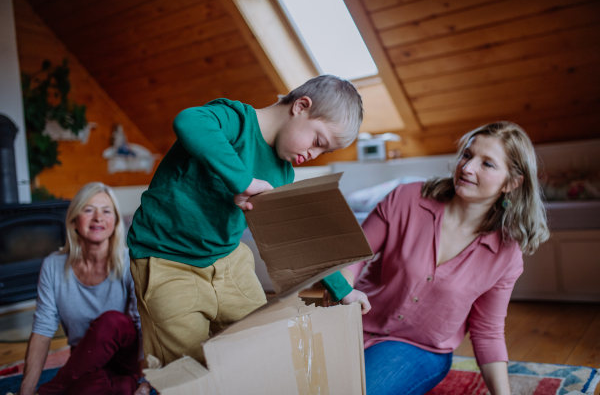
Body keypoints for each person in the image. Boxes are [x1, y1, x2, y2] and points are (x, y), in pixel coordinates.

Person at [127, 74, 364, 366]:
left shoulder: (284, 172)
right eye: (317, 141)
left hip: (229, 262)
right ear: (301, 106)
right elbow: (190, 121)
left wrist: (344, 290)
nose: (313, 155)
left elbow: (298, 238)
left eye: (323, 151)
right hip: (167, 261)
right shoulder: (235, 119)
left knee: (261, 349)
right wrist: (243, 181)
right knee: (185, 369)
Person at [326, 122, 549, 395]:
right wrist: (345, 290)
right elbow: (352, 255)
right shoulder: (405, 199)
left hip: (418, 349)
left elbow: (487, 331)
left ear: (512, 183)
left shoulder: (506, 254)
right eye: (467, 155)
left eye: (487, 164)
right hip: (352, 325)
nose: (467, 168)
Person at [19, 182, 149, 395]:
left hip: (126, 358)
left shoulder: (130, 262)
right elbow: (42, 331)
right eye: (88, 210)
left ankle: (48, 391)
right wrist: (25, 390)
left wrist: (144, 381)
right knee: (110, 389)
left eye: (106, 211)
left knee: (112, 321)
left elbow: (144, 328)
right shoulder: (53, 265)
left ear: (115, 221)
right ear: (74, 221)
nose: (98, 218)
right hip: (83, 362)